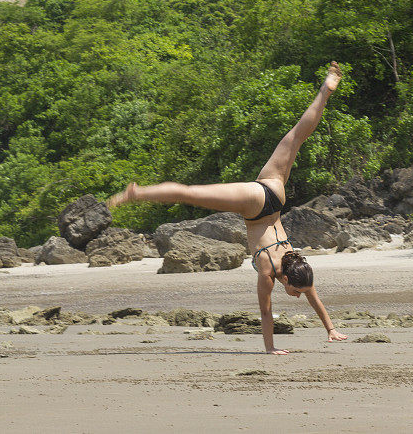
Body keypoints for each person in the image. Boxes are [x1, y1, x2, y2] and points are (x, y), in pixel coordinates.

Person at [108, 62, 349, 354]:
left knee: (297, 135)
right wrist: (270, 349)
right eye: (295, 291)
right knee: (190, 194)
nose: (298, 296)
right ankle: (137, 193)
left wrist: (331, 329)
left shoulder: (297, 265)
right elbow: (265, 312)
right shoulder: (269, 270)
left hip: (275, 193)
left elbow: (312, 295)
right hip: (256, 205)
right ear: (286, 279)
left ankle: (326, 89)